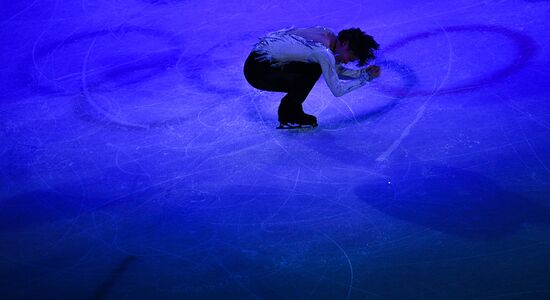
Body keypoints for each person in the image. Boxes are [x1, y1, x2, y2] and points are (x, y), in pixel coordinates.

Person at [243, 26, 381, 129]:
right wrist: (366, 78)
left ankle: (291, 111)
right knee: (309, 74)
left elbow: (334, 68)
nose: (346, 61)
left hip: (261, 63)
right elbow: (337, 90)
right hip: (258, 72)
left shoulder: (328, 35)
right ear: (345, 43)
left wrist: (362, 73)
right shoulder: (322, 51)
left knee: (315, 67)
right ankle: (289, 115)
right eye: (349, 57)